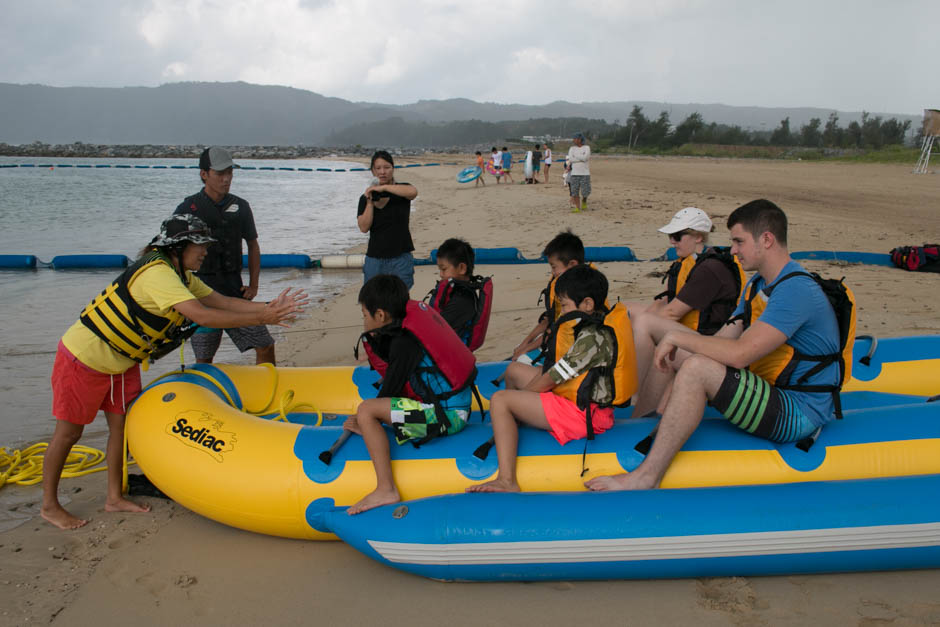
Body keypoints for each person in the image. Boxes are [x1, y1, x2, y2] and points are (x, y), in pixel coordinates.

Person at [42, 215, 308, 529]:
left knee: (120, 429)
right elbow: (203, 316)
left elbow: (220, 301)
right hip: (84, 358)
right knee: (70, 433)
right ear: (179, 247)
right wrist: (263, 316)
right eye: (200, 246)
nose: (205, 252)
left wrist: (268, 307)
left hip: (121, 362)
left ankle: (114, 497)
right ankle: (49, 505)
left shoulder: (180, 274)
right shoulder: (157, 274)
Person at [585, 199, 843, 491]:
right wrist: (674, 347)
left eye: (739, 241)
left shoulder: (795, 291)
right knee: (677, 355)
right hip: (769, 391)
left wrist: (678, 338)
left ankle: (646, 477)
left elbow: (739, 355)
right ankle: (640, 428)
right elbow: (722, 341)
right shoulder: (757, 285)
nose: (732, 250)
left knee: (696, 368)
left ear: (767, 240)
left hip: (797, 412)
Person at [467, 265, 637, 492]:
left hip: (584, 415)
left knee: (500, 399)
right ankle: (511, 424)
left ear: (587, 304)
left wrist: (518, 399)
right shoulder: (595, 324)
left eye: (565, 305)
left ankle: (507, 480)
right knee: (514, 370)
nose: (562, 311)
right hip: (579, 399)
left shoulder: (593, 339)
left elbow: (552, 379)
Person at [345, 275, 475, 513]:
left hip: (447, 419)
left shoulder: (404, 343)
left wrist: (365, 421)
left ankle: (386, 488)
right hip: (455, 408)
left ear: (381, 315)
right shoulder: (407, 329)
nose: (364, 322)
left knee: (366, 410)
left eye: (365, 315)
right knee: (371, 411)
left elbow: (388, 393)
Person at [629, 207, 746, 406]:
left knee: (645, 323)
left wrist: (647, 322)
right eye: (670, 237)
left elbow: (672, 313)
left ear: (698, 237)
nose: (672, 242)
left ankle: (634, 395)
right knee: (628, 309)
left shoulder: (710, 269)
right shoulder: (692, 262)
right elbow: (668, 302)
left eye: (677, 236)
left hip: (709, 343)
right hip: (693, 333)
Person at [174, 146, 276, 365]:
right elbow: (174, 251)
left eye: (230, 172)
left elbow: (253, 245)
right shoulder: (188, 207)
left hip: (235, 291)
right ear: (204, 174)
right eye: (220, 173)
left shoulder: (241, 206)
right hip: (201, 293)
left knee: (265, 344)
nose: (227, 178)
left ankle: (268, 390)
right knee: (204, 357)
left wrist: (254, 286)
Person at [510, 230, 585, 361]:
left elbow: (556, 330)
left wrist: (526, 349)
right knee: (520, 349)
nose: (553, 272)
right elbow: (549, 320)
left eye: (554, 267)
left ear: (572, 264)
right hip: (558, 338)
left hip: (575, 350)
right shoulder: (563, 284)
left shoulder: (579, 293)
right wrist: (524, 343)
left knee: (522, 358)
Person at [356, 150, 419, 290]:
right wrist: (370, 202)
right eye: (378, 168)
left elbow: (413, 192)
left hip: (401, 257)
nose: (382, 172)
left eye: (386, 167)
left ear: (393, 168)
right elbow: (364, 227)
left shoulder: (401, 191)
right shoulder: (365, 198)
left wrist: (384, 187)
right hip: (375, 259)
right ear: (372, 171)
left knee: (400, 302)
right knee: (374, 302)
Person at [427, 237, 493, 350]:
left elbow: (434, 330)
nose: (441, 274)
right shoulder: (453, 292)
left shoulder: (464, 300)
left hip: (448, 355)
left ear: (462, 268)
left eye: (444, 269)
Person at [566, 132, 591, 213]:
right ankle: (577, 207)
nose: (574, 140)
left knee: (585, 192)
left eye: (575, 138)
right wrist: (581, 158)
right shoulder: (572, 148)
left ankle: (584, 200)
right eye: (574, 138)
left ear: (580, 139)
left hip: (585, 173)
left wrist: (576, 156)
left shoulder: (587, 147)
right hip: (574, 173)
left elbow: (585, 158)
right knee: (575, 191)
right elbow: (571, 159)